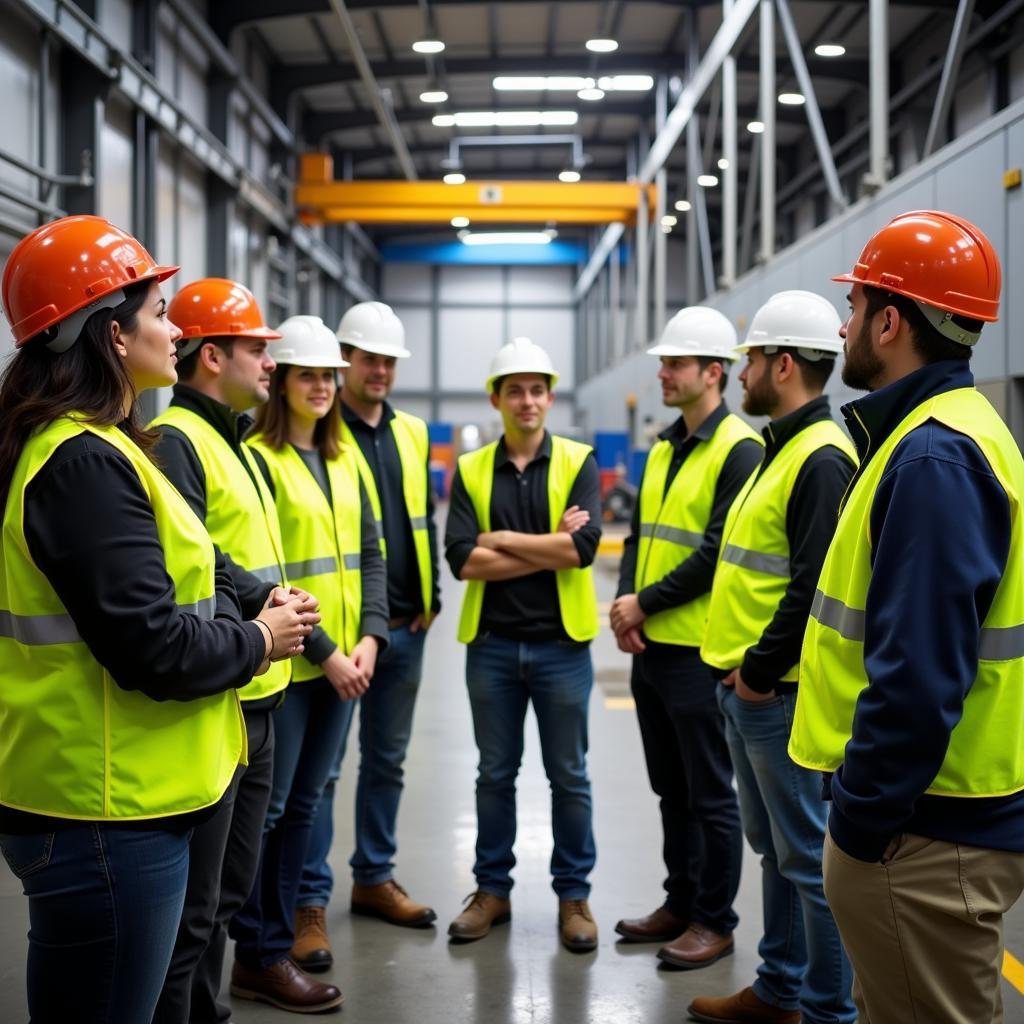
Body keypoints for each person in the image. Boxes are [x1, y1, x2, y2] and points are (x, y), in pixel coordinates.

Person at [0, 215, 313, 1024]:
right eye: (160, 312)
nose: (175, 330)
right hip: (105, 817)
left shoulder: (104, 446)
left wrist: (248, 604)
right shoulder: (81, 463)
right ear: (111, 333)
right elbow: (151, 645)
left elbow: (190, 572)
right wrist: (260, 640)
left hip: (123, 802)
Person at [789, 210, 1024, 1024]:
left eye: (853, 308)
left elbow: (918, 677)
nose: (845, 326)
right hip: (932, 818)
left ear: (890, 321)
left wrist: (859, 820)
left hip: (922, 831)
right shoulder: (948, 437)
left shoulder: (933, 456)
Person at [151, 280, 340, 1017]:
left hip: (260, 686)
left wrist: (273, 600)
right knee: (197, 906)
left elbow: (226, 560)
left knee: (225, 891)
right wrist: (263, 618)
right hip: (224, 692)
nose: (271, 362)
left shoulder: (233, 439)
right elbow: (181, 572)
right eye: (257, 349)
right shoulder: (177, 443)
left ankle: (214, 1001)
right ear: (209, 356)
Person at [688, 291, 857, 1024]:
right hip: (751, 691)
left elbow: (813, 587)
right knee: (777, 852)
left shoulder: (819, 458)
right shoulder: (782, 448)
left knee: (809, 865)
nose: (741, 372)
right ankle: (779, 988)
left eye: (749, 359)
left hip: (777, 695)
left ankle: (826, 1009)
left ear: (781, 364)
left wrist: (756, 675)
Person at [231, 314, 388, 1009]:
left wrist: (371, 639)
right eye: (308, 374)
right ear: (282, 382)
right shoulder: (259, 459)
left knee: (307, 805)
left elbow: (373, 557)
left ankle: (279, 937)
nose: (322, 386)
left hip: (344, 664)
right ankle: (257, 949)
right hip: (292, 667)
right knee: (272, 811)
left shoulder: (345, 455)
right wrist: (327, 655)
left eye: (329, 375)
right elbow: (270, 572)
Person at [610, 307, 762, 968]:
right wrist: (627, 605)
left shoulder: (740, 449)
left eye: (675, 364)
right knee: (671, 790)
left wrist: (640, 603)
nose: (664, 374)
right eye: (664, 363)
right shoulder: (668, 443)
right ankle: (679, 901)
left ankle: (714, 920)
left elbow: (713, 553)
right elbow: (647, 533)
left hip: (700, 652)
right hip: (653, 650)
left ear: (715, 373)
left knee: (709, 795)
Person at [293, 301, 441, 968]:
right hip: (339, 635)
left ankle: (374, 878)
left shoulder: (410, 430)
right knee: (320, 777)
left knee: (387, 761)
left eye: (389, 361)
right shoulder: (321, 428)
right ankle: (307, 902)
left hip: (404, 624)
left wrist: (431, 593)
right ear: (342, 362)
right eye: (368, 358)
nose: (379, 370)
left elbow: (419, 517)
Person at [444, 337, 602, 953]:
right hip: (492, 647)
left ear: (550, 397)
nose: (527, 400)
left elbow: (582, 552)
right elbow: (463, 560)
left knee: (570, 777)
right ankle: (491, 891)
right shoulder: (473, 468)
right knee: (493, 775)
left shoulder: (579, 461)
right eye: (515, 389)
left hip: (562, 647)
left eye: (537, 389)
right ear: (496, 398)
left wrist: (502, 537)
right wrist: (546, 547)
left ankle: (574, 896)